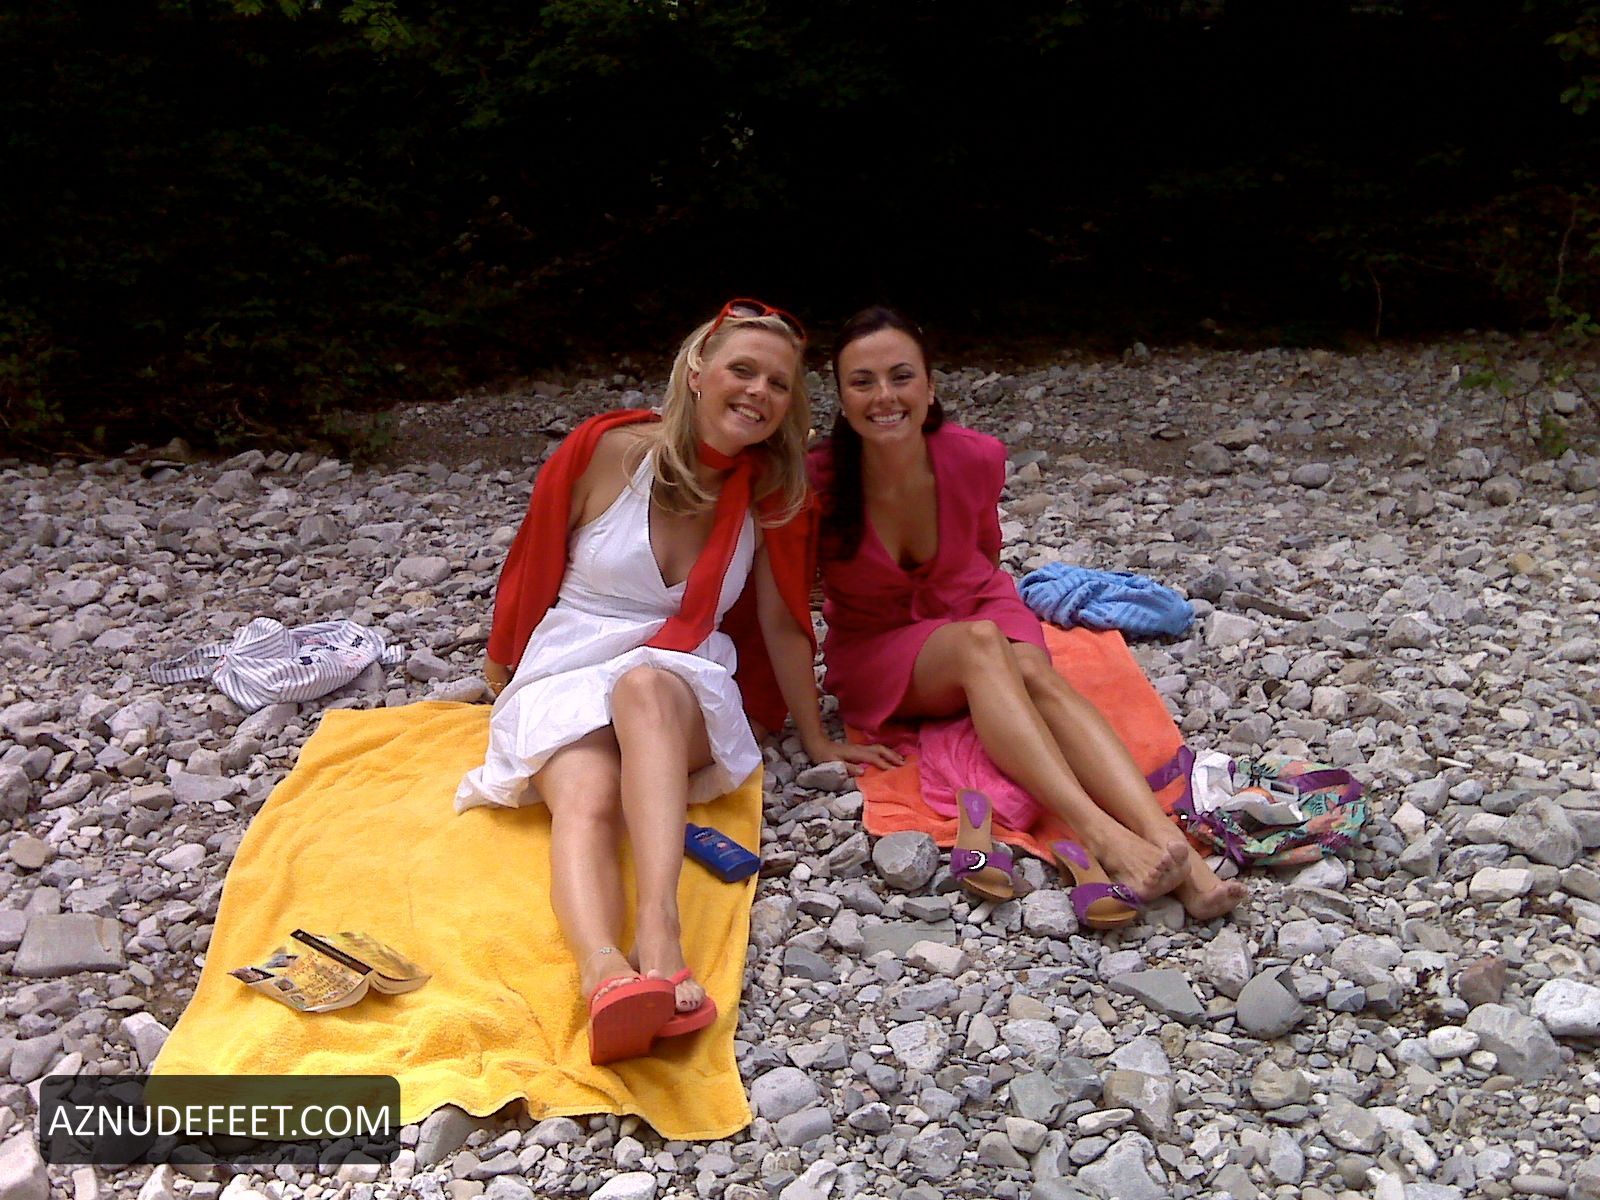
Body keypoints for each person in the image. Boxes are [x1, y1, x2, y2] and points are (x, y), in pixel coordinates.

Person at [456, 299, 894, 1065]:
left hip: (681, 678)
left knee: (644, 687)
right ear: (696, 372)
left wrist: (818, 737)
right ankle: (605, 976)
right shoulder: (606, 451)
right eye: (742, 370)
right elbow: (530, 563)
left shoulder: (773, 491)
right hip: (570, 660)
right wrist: (502, 669)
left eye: (779, 384)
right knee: (587, 797)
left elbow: (785, 622)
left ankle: (660, 935)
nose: (758, 392)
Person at [807, 305, 1246, 924]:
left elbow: (984, 554)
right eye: (863, 382)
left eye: (901, 377)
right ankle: (1101, 835)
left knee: (1032, 670)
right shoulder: (819, 479)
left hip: (972, 602)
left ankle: (1176, 851)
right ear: (841, 396)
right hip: (880, 645)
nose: (884, 396)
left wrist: (974, 620)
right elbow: (782, 608)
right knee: (981, 646)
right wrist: (813, 733)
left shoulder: (975, 456)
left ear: (930, 387)